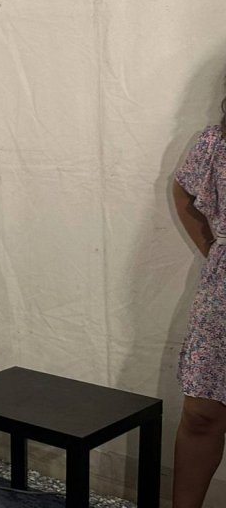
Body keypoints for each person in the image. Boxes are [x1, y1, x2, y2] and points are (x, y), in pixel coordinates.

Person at [172, 82, 226, 508]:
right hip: (222, 296)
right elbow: (185, 191)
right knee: (202, 414)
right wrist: (214, 250)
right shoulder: (216, 142)